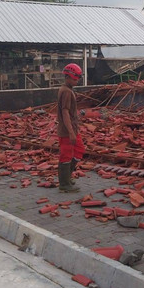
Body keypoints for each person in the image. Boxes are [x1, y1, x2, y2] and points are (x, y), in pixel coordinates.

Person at [56, 63, 85, 193]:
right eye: (75, 78)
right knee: (66, 155)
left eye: (78, 78)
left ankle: (67, 177)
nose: (77, 81)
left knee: (79, 150)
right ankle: (64, 184)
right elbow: (65, 112)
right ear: (68, 77)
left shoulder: (67, 89)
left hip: (72, 128)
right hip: (67, 131)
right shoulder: (66, 91)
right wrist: (71, 132)